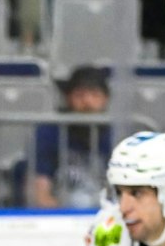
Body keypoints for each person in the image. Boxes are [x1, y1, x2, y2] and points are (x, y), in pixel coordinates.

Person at [28, 65, 110, 208]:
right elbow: (41, 193)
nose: (87, 102)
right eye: (80, 95)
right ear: (68, 98)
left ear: (105, 99)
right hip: (61, 216)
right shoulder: (50, 132)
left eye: (94, 95)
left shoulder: (116, 134)